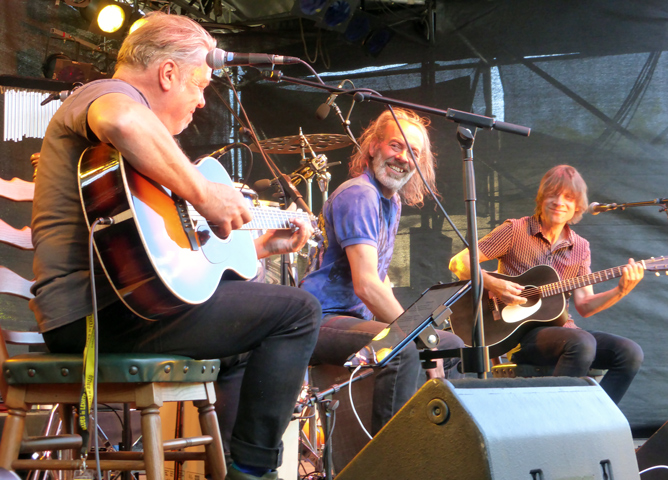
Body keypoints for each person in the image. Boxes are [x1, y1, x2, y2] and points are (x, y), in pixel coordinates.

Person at [30, 12, 320, 480]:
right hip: (93, 317)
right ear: (167, 73)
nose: (202, 102)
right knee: (299, 312)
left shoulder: (147, 158)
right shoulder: (108, 97)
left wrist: (262, 249)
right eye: (200, 86)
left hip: (125, 306)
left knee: (248, 341)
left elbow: (167, 259)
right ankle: (253, 473)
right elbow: (123, 120)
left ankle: (227, 469)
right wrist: (204, 195)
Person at [299, 108, 464, 434]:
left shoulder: (391, 201)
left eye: (412, 152)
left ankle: (444, 440)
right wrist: (418, 334)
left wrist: (426, 330)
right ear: (373, 147)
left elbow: (381, 277)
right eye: (395, 145)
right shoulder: (359, 194)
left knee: (450, 342)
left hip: (353, 319)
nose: (403, 157)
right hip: (321, 319)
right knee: (403, 349)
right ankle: (388, 460)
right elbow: (367, 285)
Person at [449, 164, 644, 404]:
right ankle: (555, 421)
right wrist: (495, 285)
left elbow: (584, 305)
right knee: (581, 343)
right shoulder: (515, 230)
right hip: (518, 336)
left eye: (568, 197)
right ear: (542, 198)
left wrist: (620, 291)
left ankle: (595, 418)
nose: (559, 202)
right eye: (553, 194)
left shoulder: (580, 246)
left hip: (563, 333)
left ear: (577, 206)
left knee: (629, 353)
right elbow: (459, 263)